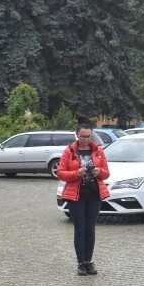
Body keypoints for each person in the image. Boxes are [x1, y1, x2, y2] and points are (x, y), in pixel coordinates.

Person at [57, 117, 110, 276]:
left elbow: (107, 173)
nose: (86, 140)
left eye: (89, 137)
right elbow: (60, 173)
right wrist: (76, 173)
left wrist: (99, 172)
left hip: (94, 194)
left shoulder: (98, 151)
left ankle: (89, 261)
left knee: (90, 230)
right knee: (80, 229)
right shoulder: (69, 151)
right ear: (77, 136)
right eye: (83, 137)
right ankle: (81, 263)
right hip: (77, 196)